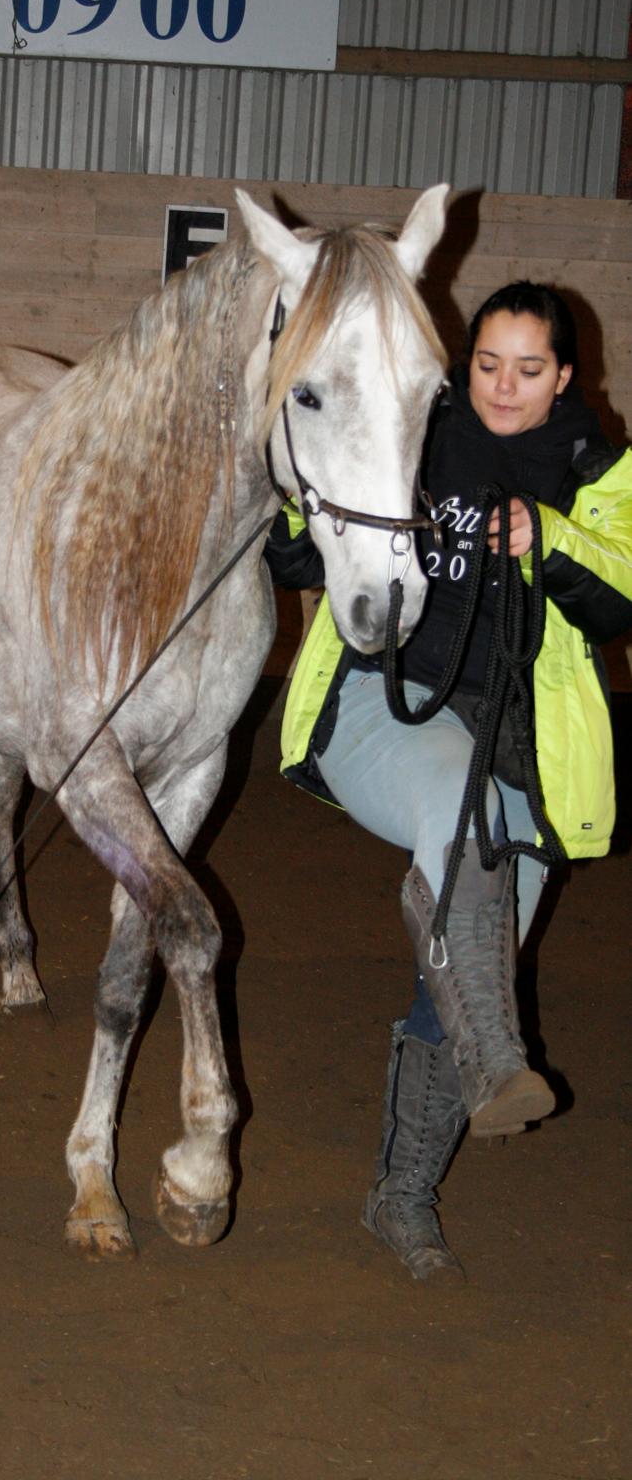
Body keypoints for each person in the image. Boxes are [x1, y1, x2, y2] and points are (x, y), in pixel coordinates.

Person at [266, 281, 632, 1280]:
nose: (500, 388)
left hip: (518, 737)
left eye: (526, 369)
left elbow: (618, 602)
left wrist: (547, 538)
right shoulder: (412, 425)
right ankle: (497, 1064)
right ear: (460, 361)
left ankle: (402, 1196)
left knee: (472, 948)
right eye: (484, 364)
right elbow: (297, 544)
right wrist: (301, 534)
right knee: (461, 830)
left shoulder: (598, 471)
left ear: (563, 376)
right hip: (382, 705)